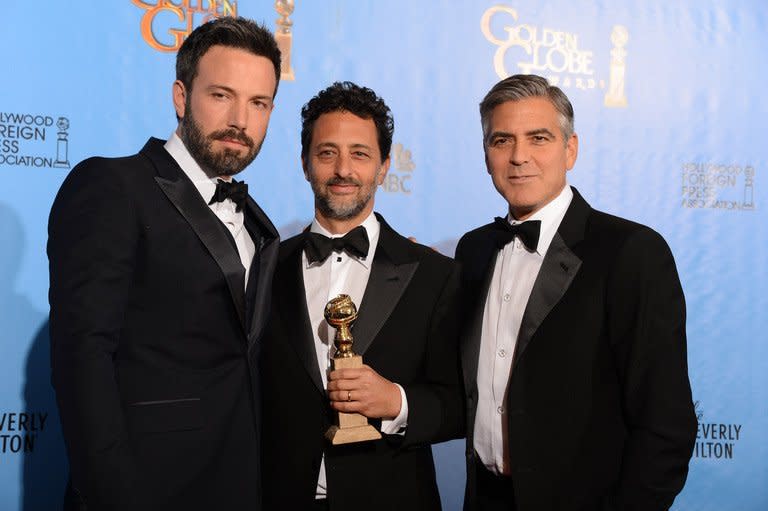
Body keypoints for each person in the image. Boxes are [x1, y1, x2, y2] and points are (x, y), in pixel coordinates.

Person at [48, 17, 281, 510]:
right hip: (148, 488)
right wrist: (112, 494)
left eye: (258, 103)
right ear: (181, 97)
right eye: (222, 95)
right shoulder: (113, 187)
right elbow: (82, 357)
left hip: (241, 484)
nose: (241, 118)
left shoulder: (258, 222)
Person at [456, 74, 697, 511]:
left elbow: (666, 425)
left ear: (571, 149)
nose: (519, 157)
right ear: (486, 154)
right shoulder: (473, 250)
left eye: (539, 138)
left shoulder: (631, 253)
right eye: (502, 140)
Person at [259, 81, 463, 511]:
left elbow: (462, 402)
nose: (343, 170)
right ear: (304, 163)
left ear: (384, 166)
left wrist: (397, 402)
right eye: (327, 152)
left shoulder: (434, 274)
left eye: (360, 154)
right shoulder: (263, 269)